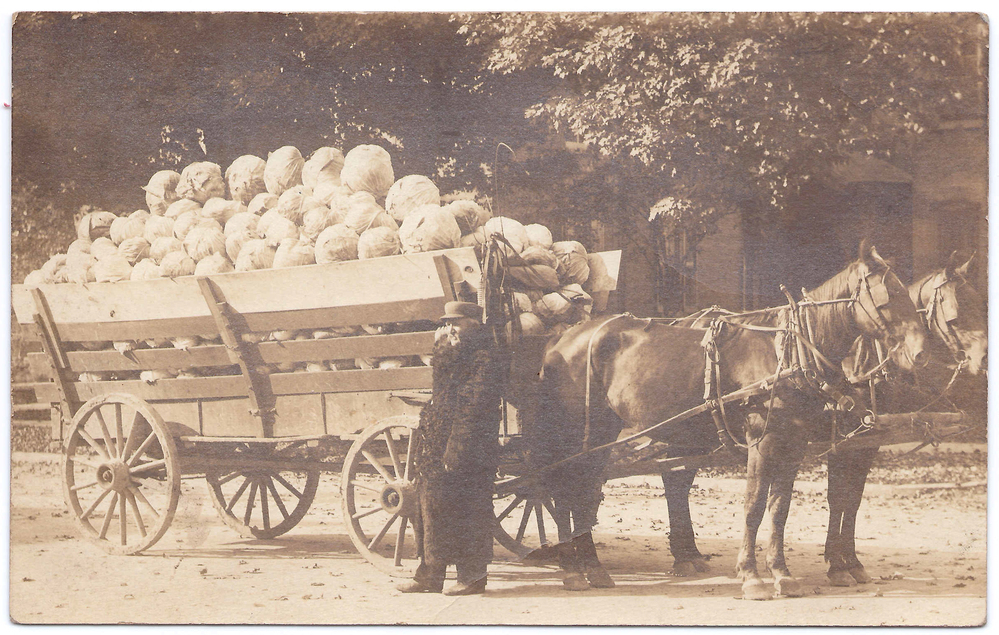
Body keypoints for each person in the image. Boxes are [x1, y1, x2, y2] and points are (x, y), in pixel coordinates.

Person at [398, 301, 508, 596]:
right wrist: (442, 349)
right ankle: (429, 575)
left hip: (470, 448)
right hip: (439, 444)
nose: (450, 329)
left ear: (474, 324)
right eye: (446, 324)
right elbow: (440, 393)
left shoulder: (486, 359)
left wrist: (456, 449)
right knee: (430, 508)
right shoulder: (453, 354)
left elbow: (472, 410)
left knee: (469, 511)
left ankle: (472, 577)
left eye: (456, 323)